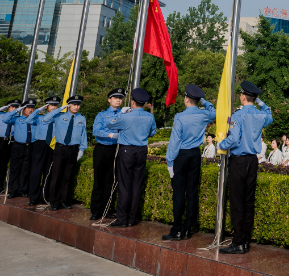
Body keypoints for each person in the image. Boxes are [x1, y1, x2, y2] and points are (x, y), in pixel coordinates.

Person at [218, 81, 274, 255]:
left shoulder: (238, 116)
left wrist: (221, 144)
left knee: (237, 202)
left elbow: (234, 139)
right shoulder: (260, 115)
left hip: (239, 161)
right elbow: (269, 115)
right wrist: (259, 102)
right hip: (252, 161)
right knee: (248, 202)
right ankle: (245, 241)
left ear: (243, 97)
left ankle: (238, 242)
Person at [163, 84, 216, 241]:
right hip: (195, 154)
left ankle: (177, 229)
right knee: (192, 192)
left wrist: (169, 162)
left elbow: (175, 141)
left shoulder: (180, 117)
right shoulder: (203, 114)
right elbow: (214, 112)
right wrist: (204, 101)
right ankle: (187, 229)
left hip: (182, 155)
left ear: (186, 99)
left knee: (179, 193)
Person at [106, 88, 158, 228]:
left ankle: (122, 219)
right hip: (141, 151)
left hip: (127, 150)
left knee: (124, 185)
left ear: (133, 102)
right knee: (136, 185)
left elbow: (109, 124)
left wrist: (121, 113)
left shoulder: (125, 117)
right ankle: (131, 219)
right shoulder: (150, 117)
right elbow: (152, 132)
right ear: (144, 103)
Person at [41, 94, 87, 210]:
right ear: (69, 105)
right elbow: (45, 119)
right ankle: (54, 201)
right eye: (74, 104)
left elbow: (83, 135)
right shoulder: (59, 116)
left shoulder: (81, 118)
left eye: (78, 105)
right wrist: (60, 109)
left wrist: (81, 149)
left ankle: (63, 200)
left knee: (67, 176)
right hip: (60, 148)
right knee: (56, 175)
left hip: (73, 149)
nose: (76, 107)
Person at [90, 88, 125, 220]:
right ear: (109, 100)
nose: (118, 100)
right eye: (115, 98)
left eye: (120, 98)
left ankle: (107, 209)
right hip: (102, 148)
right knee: (99, 180)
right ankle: (95, 210)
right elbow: (96, 131)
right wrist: (110, 134)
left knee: (110, 181)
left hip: (115, 149)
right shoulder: (102, 115)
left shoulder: (124, 114)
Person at [27, 96, 60, 206]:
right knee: (36, 172)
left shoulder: (59, 118)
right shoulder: (39, 117)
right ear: (46, 106)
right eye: (51, 105)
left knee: (48, 172)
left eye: (55, 105)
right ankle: (33, 198)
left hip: (52, 145)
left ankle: (44, 197)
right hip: (40, 145)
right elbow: (28, 120)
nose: (54, 107)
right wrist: (38, 110)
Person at [7, 99, 37, 198]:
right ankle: (12, 190)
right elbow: (5, 119)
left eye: (32, 108)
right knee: (15, 169)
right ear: (23, 109)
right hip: (18, 146)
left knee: (26, 169)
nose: (30, 110)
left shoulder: (35, 119)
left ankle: (22, 190)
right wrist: (17, 110)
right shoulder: (17, 119)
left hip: (30, 146)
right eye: (28, 108)